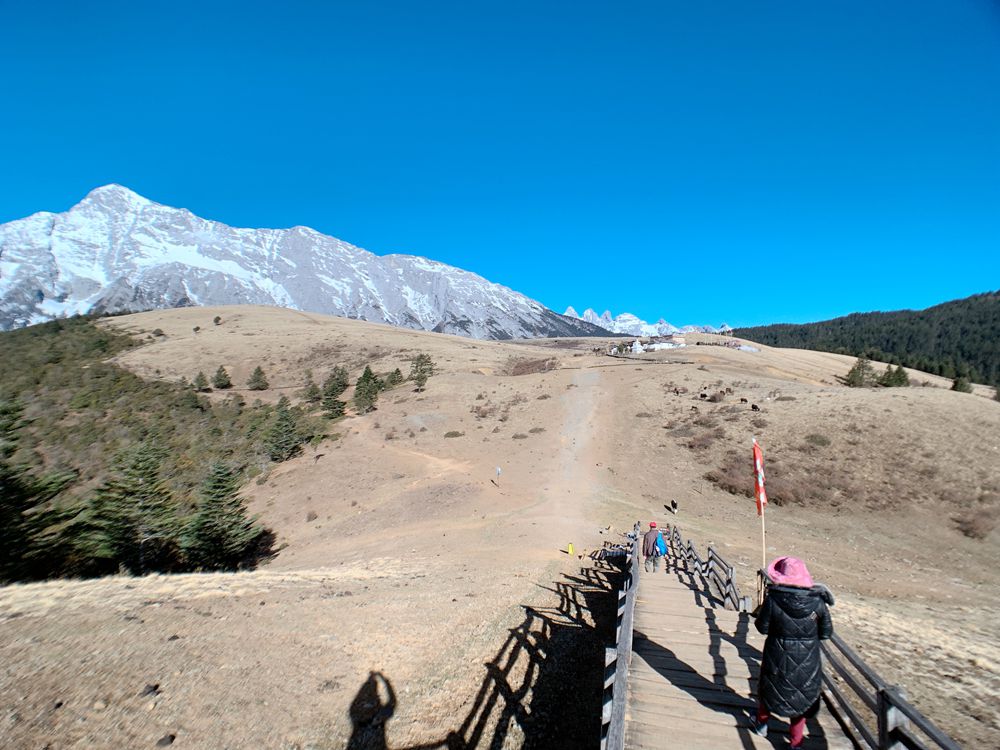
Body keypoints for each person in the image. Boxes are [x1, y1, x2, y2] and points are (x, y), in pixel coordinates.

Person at [753, 556, 834, 749]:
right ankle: (795, 743)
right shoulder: (818, 602)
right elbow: (826, 633)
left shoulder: (773, 599)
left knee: (770, 688)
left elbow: (762, 627)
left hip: (776, 654)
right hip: (807, 658)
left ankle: (762, 725)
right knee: (801, 695)